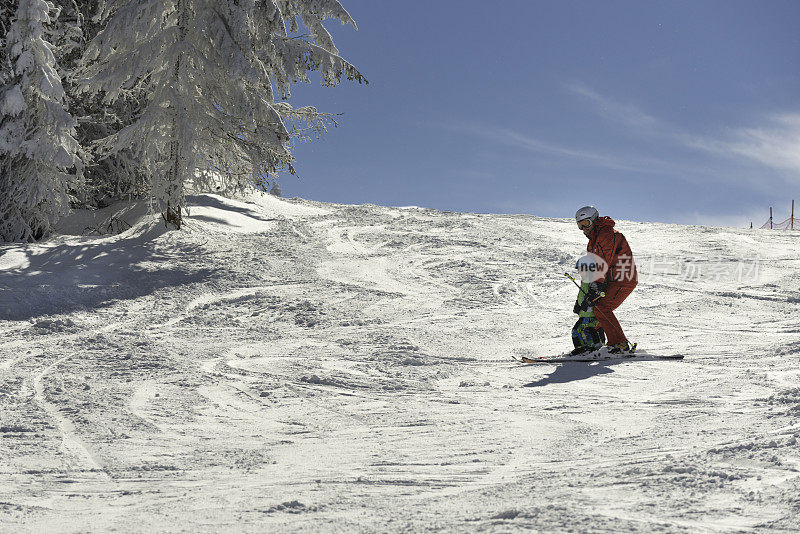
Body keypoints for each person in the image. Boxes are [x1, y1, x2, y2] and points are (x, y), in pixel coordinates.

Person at [574, 206, 638, 354]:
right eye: (580, 225)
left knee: (601, 307)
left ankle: (619, 344)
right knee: (596, 307)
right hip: (610, 279)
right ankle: (599, 343)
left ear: (595, 220)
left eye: (586, 224)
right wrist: (583, 298)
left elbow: (602, 262)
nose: (584, 229)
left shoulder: (606, 234)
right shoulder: (593, 240)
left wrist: (596, 286)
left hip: (623, 278)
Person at [571, 257, 606, 355]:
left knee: (576, 330)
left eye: (581, 270)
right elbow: (581, 296)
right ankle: (595, 347)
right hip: (585, 313)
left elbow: (594, 294)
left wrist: (588, 303)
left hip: (588, 313)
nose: (580, 273)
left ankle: (581, 348)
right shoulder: (585, 281)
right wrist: (577, 305)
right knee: (589, 330)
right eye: (579, 271)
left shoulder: (592, 281)